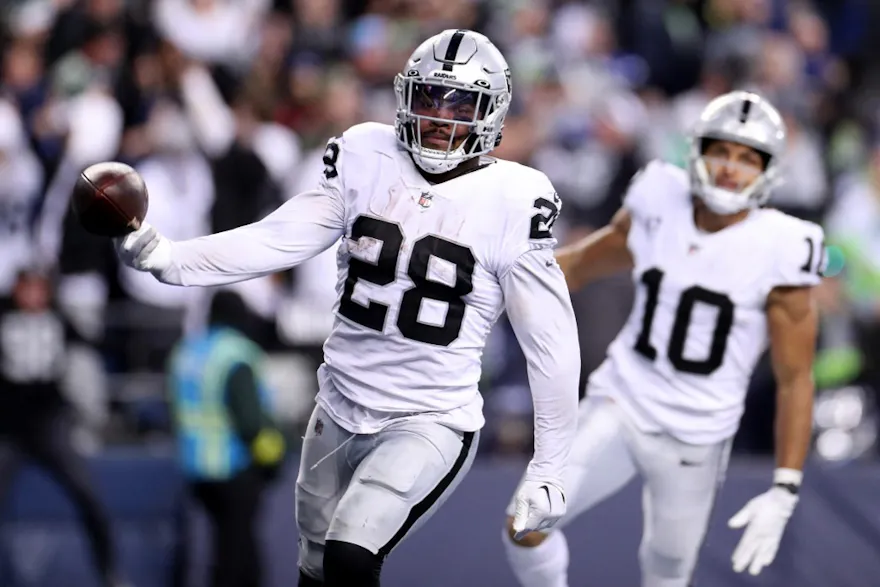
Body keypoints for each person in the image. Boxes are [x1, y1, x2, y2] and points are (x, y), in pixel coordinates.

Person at [115, 29, 580, 587]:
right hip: (337, 405)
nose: (439, 116)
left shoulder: (515, 196)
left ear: (492, 113)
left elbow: (550, 341)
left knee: (351, 555)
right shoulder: (365, 152)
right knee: (315, 571)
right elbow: (278, 237)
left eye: (460, 103)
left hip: (427, 418)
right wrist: (173, 259)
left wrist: (550, 464)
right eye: (429, 97)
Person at [503, 91, 822, 587]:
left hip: (698, 433)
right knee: (525, 522)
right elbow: (582, 265)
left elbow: (795, 379)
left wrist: (785, 487)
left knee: (666, 574)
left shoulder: (784, 247)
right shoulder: (658, 196)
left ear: (769, 170)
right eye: (721, 151)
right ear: (698, 150)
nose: (730, 168)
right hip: (622, 400)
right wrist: (493, 282)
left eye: (746, 157)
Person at [0, 268, 129, 587]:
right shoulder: (2, 316)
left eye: (39, 289)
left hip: (49, 424)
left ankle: (109, 572)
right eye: (27, 289)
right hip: (8, 427)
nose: (33, 296)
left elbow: (93, 341)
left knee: (89, 497)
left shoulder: (58, 317)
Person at [167, 290, 287, 587]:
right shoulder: (236, 354)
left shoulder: (186, 351)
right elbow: (250, 421)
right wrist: (274, 459)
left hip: (196, 466)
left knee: (222, 547)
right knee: (237, 555)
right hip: (234, 466)